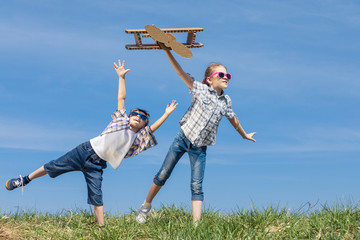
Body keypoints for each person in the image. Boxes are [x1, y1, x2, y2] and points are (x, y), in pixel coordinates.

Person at [5, 59, 178, 226]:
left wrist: (166, 114)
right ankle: (25, 179)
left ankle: (101, 228)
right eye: (135, 113)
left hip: (97, 164)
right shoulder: (120, 120)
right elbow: (121, 98)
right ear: (129, 115)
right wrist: (121, 77)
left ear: (143, 125)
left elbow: (152, 129)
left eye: (142, 118)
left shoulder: (137, 138)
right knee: (53, 165)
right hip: (85, 150)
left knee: (97, 195)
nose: (137, 117)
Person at [135, 44, 256, 224]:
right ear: (209, 79)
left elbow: (233, 118)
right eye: (221, 75)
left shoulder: (226, 100)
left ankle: (196, 226)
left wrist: (244, 134)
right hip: (182, 139)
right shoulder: (200, 90)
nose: (226, 77)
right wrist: (168, 51)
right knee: (163, 174)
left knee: (196, 185)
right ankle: (145, 207)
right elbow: (180, 73)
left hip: (200, 148)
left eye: (228, 75)